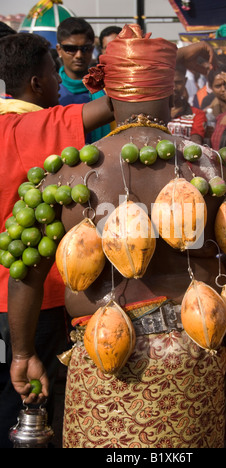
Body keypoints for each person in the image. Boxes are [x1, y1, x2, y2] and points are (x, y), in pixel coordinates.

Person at [7, 24, 226, 449]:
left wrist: (21, 354)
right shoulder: (215, 168)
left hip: (103, 350)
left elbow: (25, 274)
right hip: (196, 346)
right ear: (171, 90)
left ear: (109, 93)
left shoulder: (62, 174)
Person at [0, 32, 114, 448]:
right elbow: (117, 105)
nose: (58, 82)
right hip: (34, 301)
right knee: (30, 409)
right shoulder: (35, 125)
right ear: (35, 83)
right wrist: (117, 62)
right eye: (53, 72)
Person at [56, 17, 111, 142]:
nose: (79, 55)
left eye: (85, 48)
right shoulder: (50, 91)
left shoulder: (107, 88)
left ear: (92, 49)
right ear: (59, 50)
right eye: (71, 49)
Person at [168, 65, 207, 144]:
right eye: (170, 82)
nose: (174, 87)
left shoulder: (197, 114)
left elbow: (196, 141)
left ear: (185, 81)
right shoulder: (155, 112)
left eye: (178, 82)